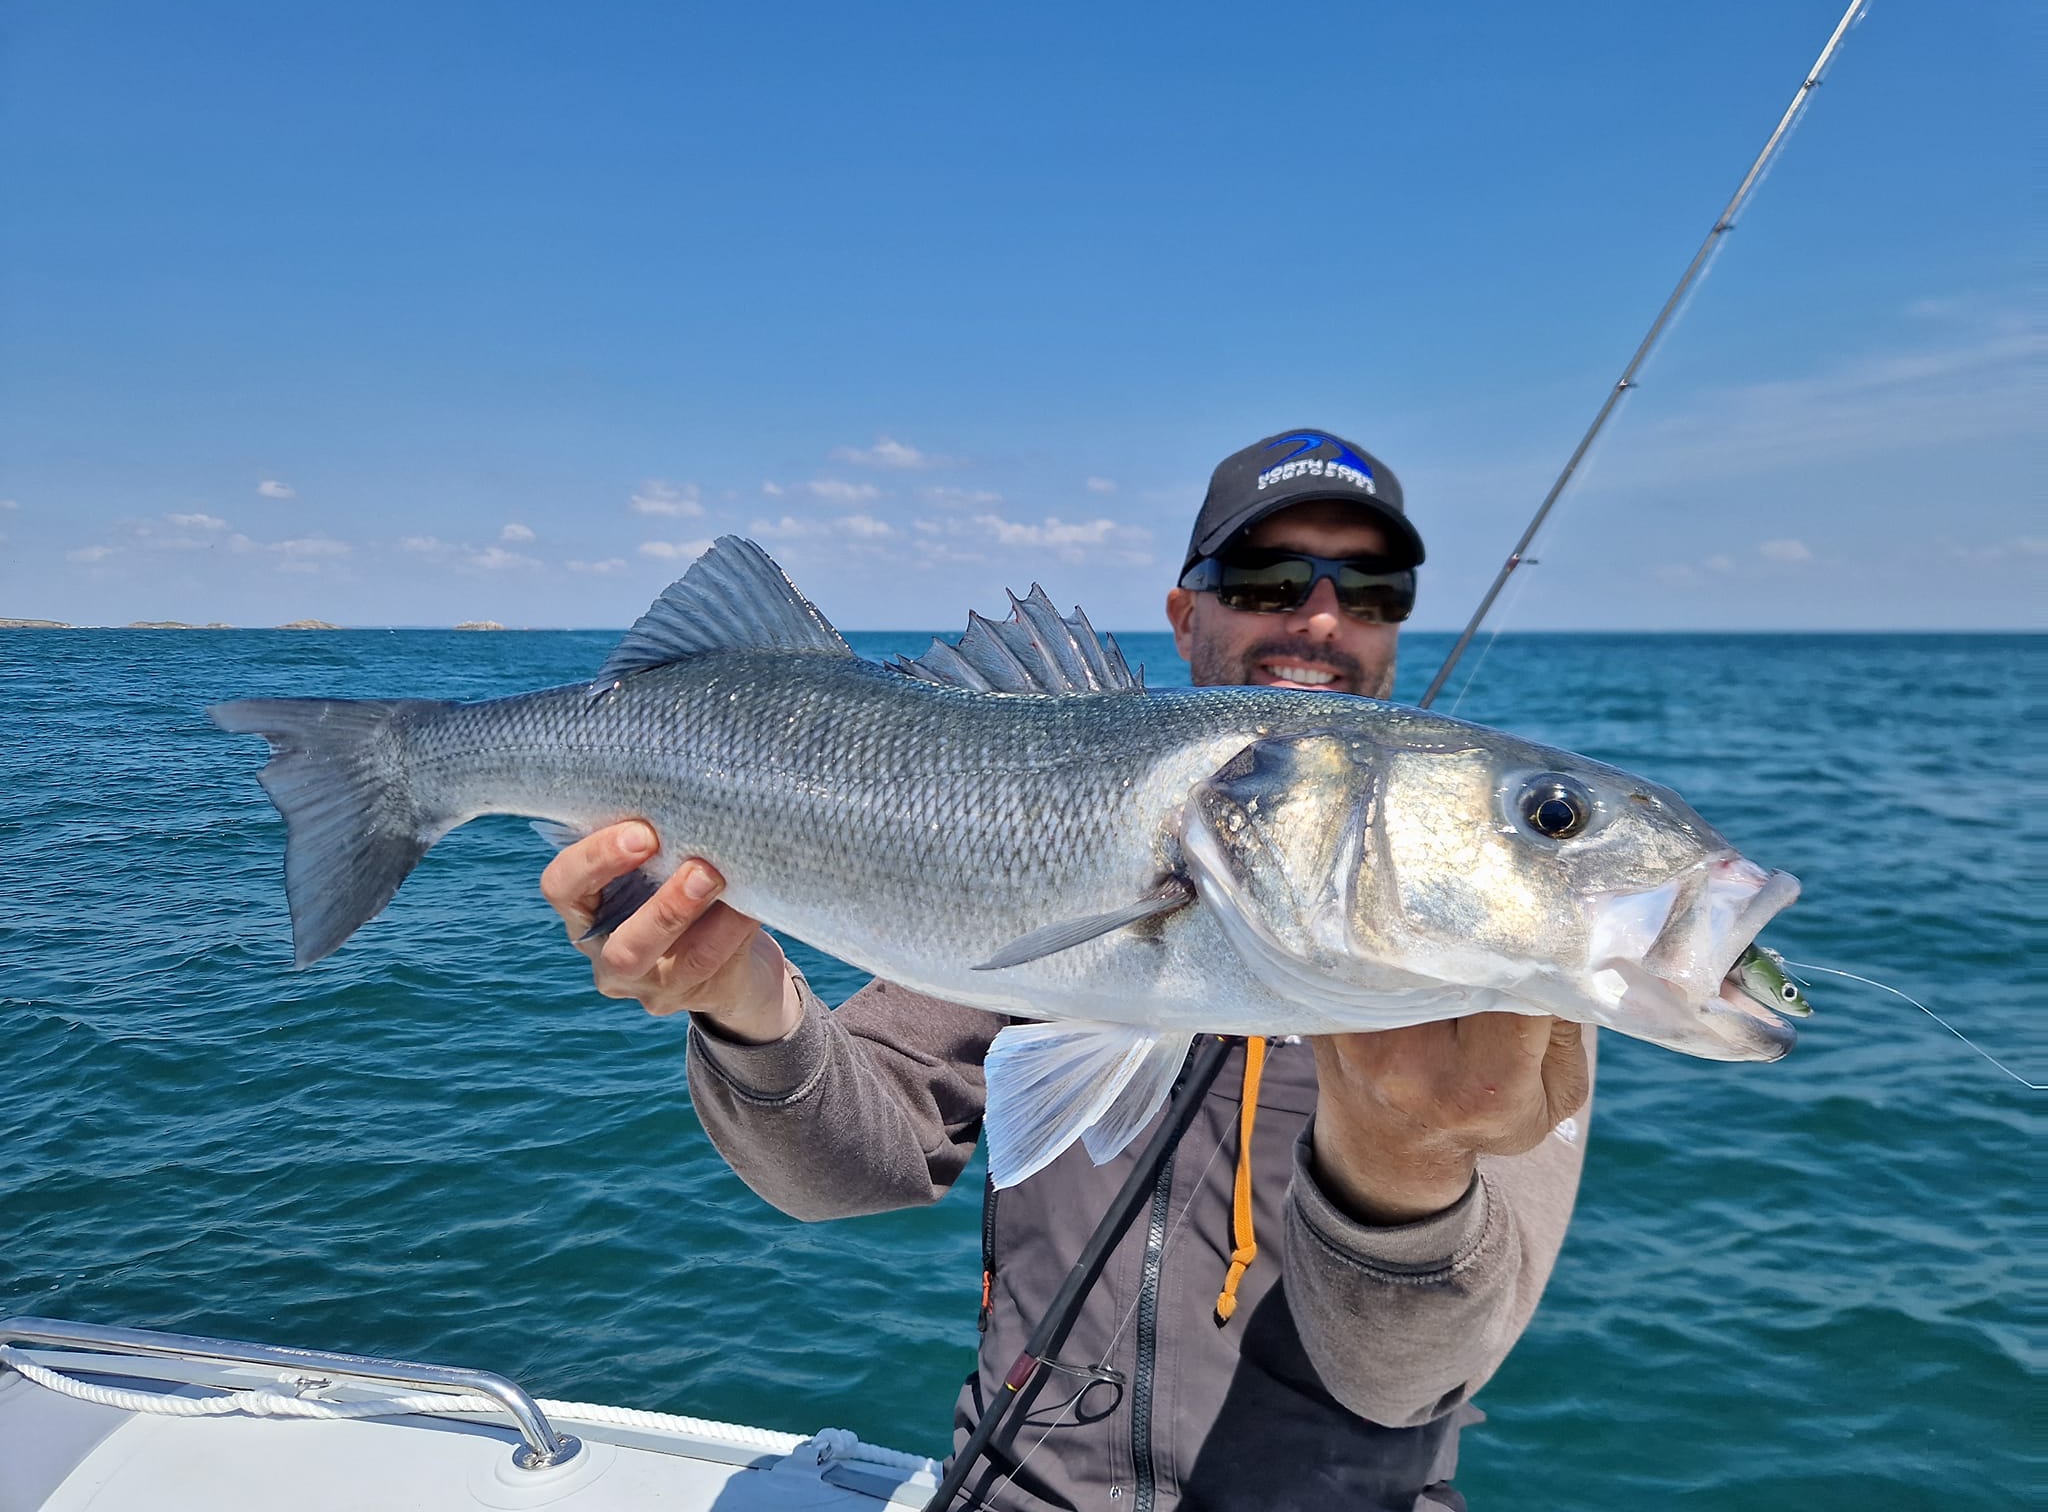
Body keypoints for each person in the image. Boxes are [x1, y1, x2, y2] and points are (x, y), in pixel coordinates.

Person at [541, 429, 1593, 1512]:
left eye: (1371, 589)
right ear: (1186, 615)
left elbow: (1417, 1380)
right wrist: (741, 1002)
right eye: (1266, 578)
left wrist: (1404, 1161)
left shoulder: (1493, 963)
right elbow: (845, 1172)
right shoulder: (1040, 846)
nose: (1318, 617)